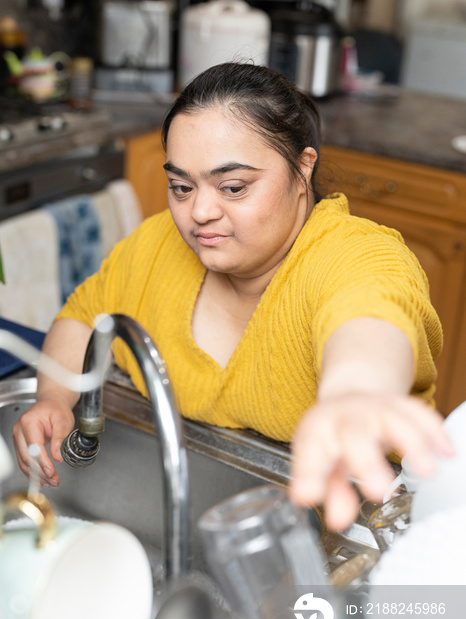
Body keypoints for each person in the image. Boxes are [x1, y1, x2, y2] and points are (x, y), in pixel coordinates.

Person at [12, 62, 453, 531]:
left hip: (366, 530)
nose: (199, 212)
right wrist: (55, 398)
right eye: (181, 187)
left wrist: (352, 397)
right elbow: (84, 317)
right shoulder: (156, 246)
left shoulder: (353, 256)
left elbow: (370, 320)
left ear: (303, 168)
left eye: (234, 187)